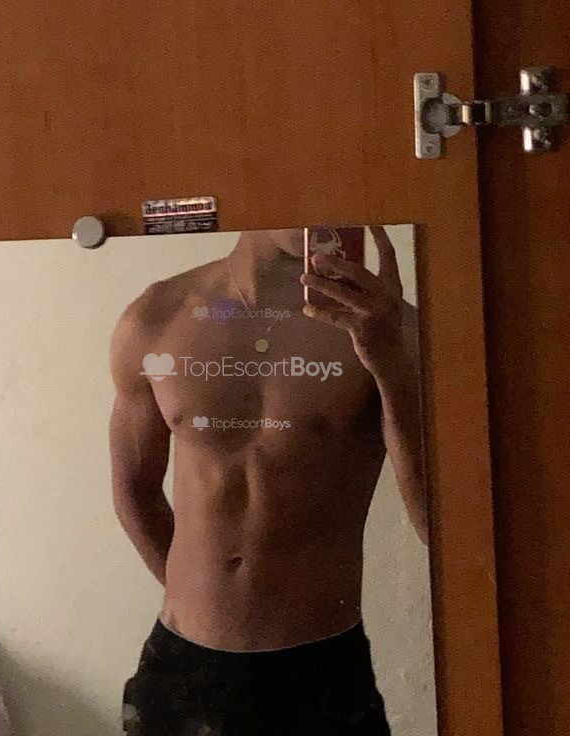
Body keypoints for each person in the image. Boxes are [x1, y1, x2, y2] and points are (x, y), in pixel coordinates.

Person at [109, 227, 426, 735]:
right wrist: (205, 604)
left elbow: (437, 526)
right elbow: (135, 492)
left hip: (318, 672)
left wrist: (390, 365)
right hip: (181, 666)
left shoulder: (391, 330)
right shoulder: (156, 318)